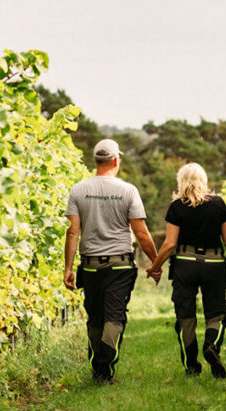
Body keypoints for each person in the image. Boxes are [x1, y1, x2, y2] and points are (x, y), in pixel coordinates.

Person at [64, 138, 161, 384]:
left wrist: (68, 267)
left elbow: (73, 232)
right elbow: (141, 233)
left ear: (96, 160)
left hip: (90, 265)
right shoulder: (128, 191)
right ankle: (104, 359)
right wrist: (156, 262)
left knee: (95, 316)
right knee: (115, 315)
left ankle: (100, 370)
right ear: (116, 160)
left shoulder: (78, 190)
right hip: (120, 264)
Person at [147, 163, 226, 378]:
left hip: (185, 264)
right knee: (216, 312)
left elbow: (170, 244)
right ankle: (211, 345)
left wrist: (155, 267)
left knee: (185, 315)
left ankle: (192, 364)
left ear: (181, 181)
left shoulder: (176, 207)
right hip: (215, 264)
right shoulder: (218, 204)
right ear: (204, 180)